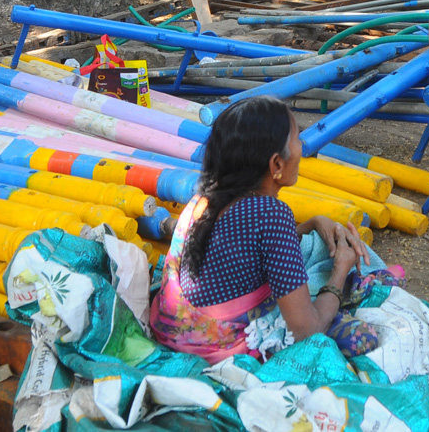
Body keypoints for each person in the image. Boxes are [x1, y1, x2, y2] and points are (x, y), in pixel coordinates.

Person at [149, 96, 376, 364]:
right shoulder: (270, 214)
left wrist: (314, 222)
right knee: (363, 336)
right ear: (276, 165)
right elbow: (305, 332)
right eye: (297, 139)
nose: (302, 148)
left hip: (170, 328)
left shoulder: (205, 197)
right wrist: (341, 269)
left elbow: (250, 249)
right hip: (216, 349)